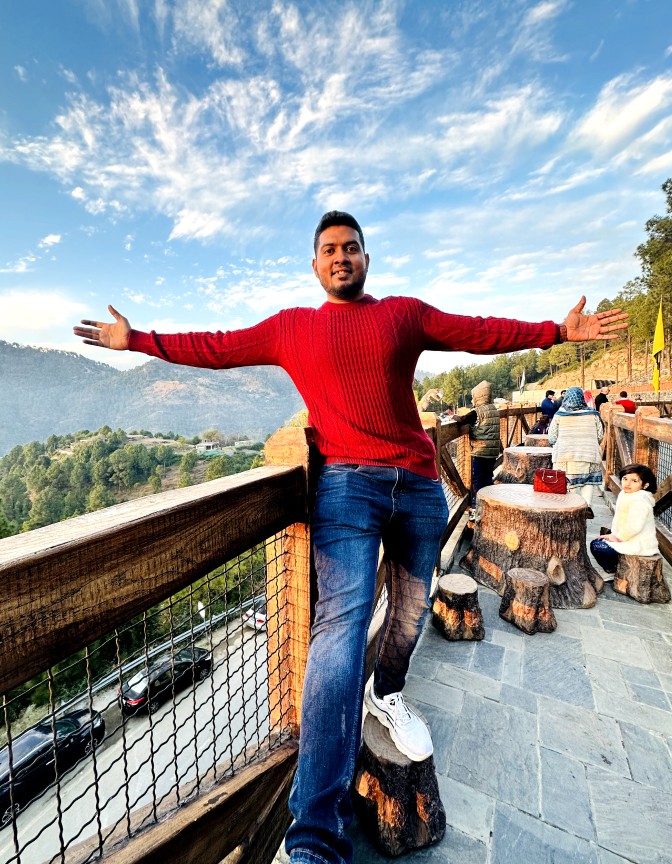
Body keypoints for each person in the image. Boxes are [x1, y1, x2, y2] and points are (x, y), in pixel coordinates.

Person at [73, 211, 628, 864]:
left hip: (420, 484)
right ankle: (315, 835)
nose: (341, 257)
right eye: (329, 250)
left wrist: (556, 332)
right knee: (340, 630)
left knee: (412, 611)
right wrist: (137, 338)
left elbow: (476, 333)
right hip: (347, 487)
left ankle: (385, 694)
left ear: (367, 258)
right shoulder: (292, 328)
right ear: (314, 265)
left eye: (351, 248)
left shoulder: (400, 314)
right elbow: (215, 347)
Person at [590, 464, 658, 576]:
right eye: (625, 479)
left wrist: (616, 537)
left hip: (638, 543)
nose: (627, 483)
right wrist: (613, 534)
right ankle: (616, 567)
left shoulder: (641, 500)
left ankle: (612, 571)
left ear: (645, 485)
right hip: (626, 537)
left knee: (598, 546)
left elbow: (634, 526)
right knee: (599, 542)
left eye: (634, 481)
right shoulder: (625, 494)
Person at [548, 386, 604, 517]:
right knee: (588, 481)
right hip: (589, 454)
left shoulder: (559, 415)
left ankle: (570, 507)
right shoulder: (593, 414)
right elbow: (600, 436)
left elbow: (552, 437)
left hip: (565, 455)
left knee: (568, 481)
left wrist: (556, 444)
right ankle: (587, 505)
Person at [459, 381, 500, 518]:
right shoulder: (493, 408)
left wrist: (455, 417)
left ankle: (476, 511)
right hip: (492, 451)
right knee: (487, 477)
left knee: (477, 480)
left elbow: (463, 419)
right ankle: (490, 506)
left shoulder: (478, 411)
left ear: (477, 396)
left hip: (480, 450)